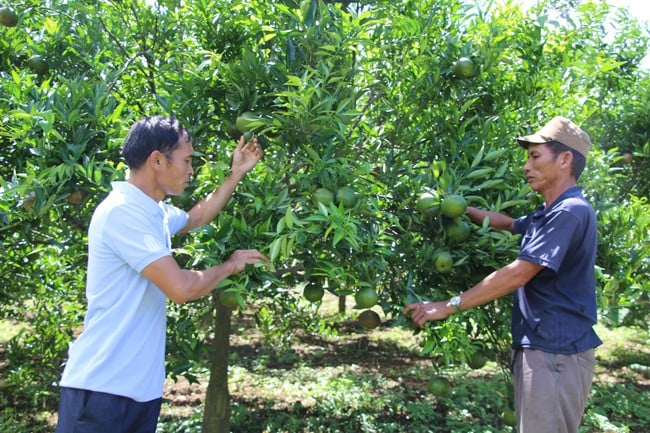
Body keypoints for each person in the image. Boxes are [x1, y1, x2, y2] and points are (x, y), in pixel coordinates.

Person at [55, 116, 268, 433]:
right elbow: (181, 288)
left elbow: (198, 216)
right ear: (157, 159)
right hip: (102, 390)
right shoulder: (122, 213)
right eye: (187, 160)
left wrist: (236, 173)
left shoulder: (152, 211)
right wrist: (231, 265)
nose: (191, 170)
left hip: (139, 391)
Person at [404, 116, 602, 433]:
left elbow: (518, 274)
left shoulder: (570, 211)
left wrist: (449, 305)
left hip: (556, 352)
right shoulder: (549, 212)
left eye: (535, 156)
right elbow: (509, 224)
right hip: (544, 348)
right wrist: (458, 207)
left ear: (564, 159)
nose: (526, 166)